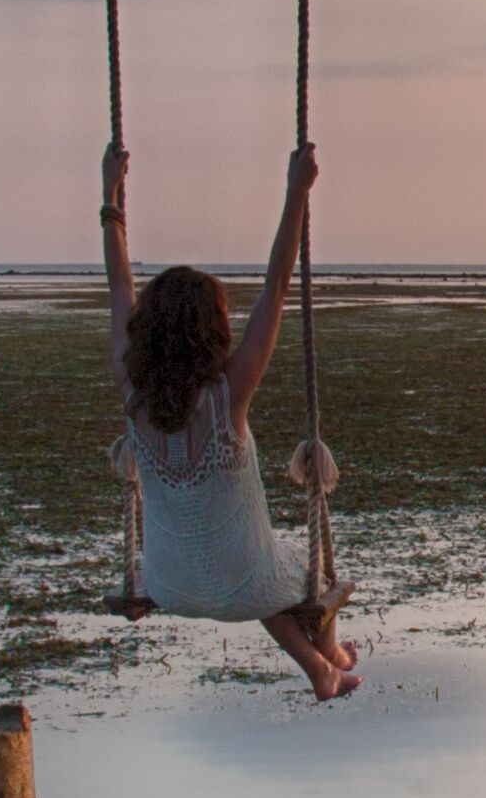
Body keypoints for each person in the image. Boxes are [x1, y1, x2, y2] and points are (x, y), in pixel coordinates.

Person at [103, 139, 358, 701]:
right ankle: (330, 656)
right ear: (211, 331)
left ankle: (325, 667)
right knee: (310, 577)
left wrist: (110, 200)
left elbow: (120, 289)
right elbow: (276, 288)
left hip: (169, 585)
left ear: (147, 332)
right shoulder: (228, 396)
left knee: (249, 571)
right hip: (240, 581)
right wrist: (297, 193)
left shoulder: (132, 395)